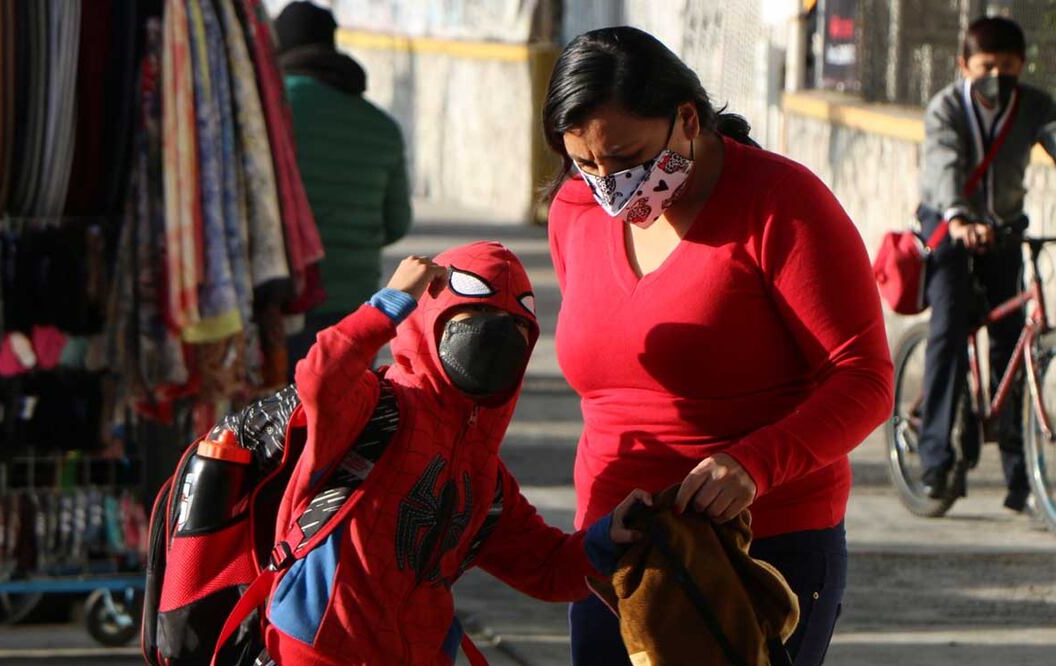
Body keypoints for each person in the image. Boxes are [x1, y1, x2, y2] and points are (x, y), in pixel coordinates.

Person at [541, 27, 893, 665]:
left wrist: (754, 465)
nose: (609, 186)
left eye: (625, 159)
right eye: (586, 164)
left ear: (686, 119)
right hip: (614, 549)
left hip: (756, 549)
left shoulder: (782, 205)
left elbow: (865, 378)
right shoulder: (575, 209)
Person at [264, 241, 648, 665]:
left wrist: (606, 537)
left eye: (513, 323)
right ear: (433, 317)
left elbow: (546, 566)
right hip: (318, 648)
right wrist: (390, 303)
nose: (495, 331)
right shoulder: (373, 410)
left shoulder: (485, 475)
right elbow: (319, 377)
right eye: (478, 312)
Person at [917, 16, 1056, 509]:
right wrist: (958, 218)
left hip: (1005, 229)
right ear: (964, 65)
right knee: (949, 330)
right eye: (987, 66)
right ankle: (934, 459)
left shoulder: (1035, 105)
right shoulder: (946, 108)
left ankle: (1021, 478)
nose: (998, 75)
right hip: (948, 227)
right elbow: (945, 162)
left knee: (1011, 341)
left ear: (1023, 66)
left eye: (1009, 66)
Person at [275, 2, 413, 376]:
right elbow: (397, 222)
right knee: (343, 419)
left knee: (268, 427)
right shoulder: (381, 125)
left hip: (278, 299)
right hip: (354, 303)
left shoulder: (266, 112)